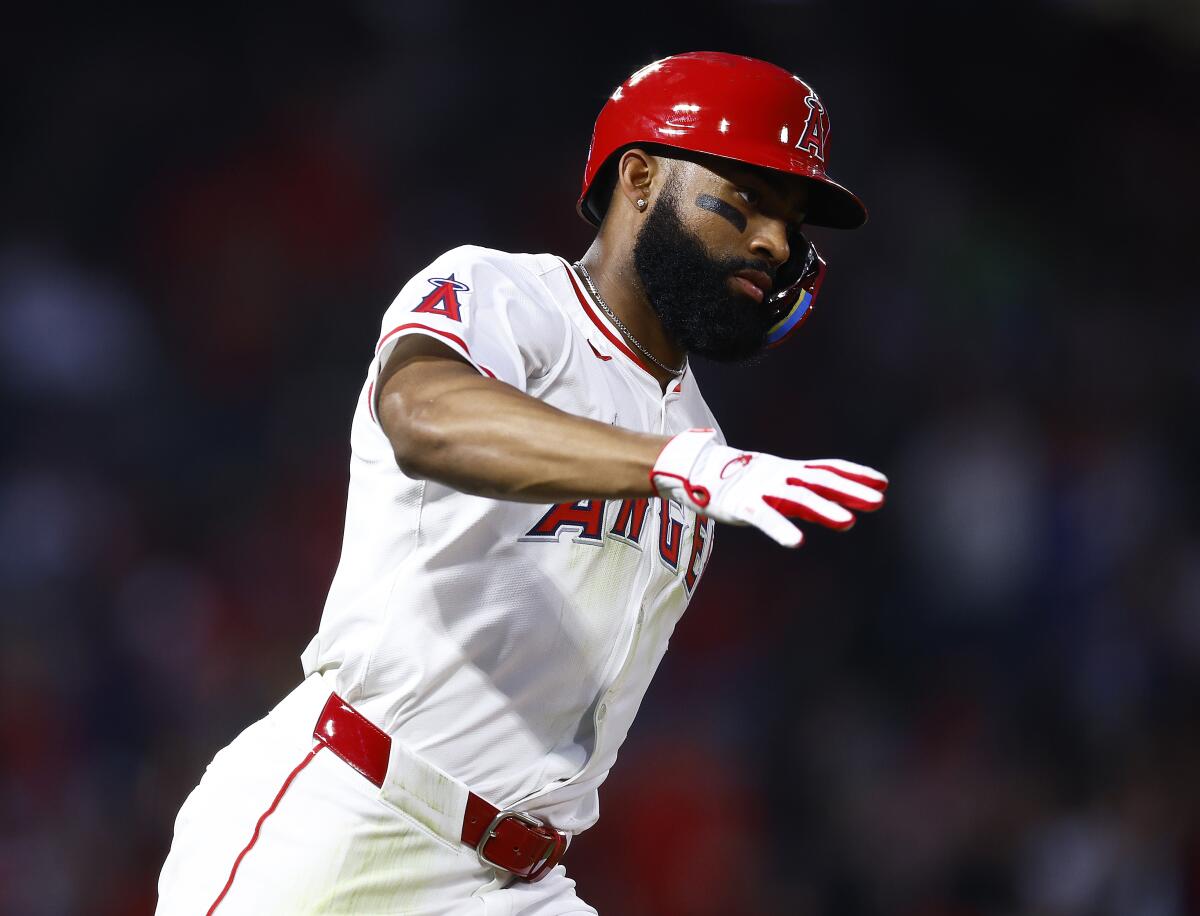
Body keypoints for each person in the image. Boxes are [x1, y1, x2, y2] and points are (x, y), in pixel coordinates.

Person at [156, 51, 888, 915]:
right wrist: (678, 468)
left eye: (791, 219)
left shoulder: (705, 442)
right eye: (747, 197)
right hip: (353, 813)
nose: (773, 240)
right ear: (642, 177)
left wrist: (689, 463)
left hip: (516, 881)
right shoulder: (506, 296)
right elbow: (422, 416)